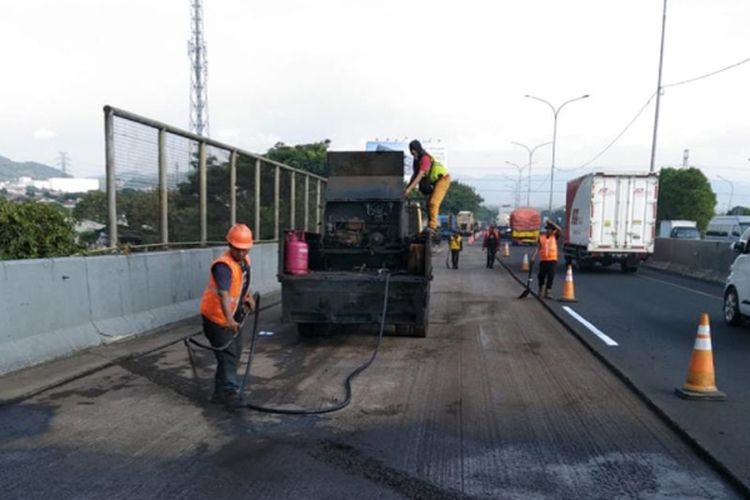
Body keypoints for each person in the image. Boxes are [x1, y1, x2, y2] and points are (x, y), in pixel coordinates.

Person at [199, 223, 256, 406]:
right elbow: (223, 293)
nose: (241, 253)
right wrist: (229, 320)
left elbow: (241, 283)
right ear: (230, 245)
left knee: (233, 354)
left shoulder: (244, 261)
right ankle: (231, 393)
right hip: (217, 319)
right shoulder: (223, 266)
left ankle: (218, 395)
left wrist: (248, 297)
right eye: (237, 249)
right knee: (228, 356)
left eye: (244, 249)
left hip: (232, 318)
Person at [402, 140, 451, 241]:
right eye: (411, 151)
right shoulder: (417, 160)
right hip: (435, 181)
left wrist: (409, 190)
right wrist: (406, 189)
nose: (412, 153)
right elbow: (414, 175)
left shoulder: (425, 159)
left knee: (433, 203)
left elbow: (419, 176)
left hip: (443, 179)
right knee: (428, 204)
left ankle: (433, 227)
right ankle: (431, 225)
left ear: (417, 149)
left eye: (413, 151)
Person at [532, 220, 561, 299]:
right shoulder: (541, 238)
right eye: (548, 229)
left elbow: (559, 229)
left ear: (553, 230)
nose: (549, 231)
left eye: (551, 229)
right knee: (541, 275)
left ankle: (548, 291)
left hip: (552, 260)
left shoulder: (555, 237)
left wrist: (552, 223)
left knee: (550, 276)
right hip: (543, 260)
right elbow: (538, 247)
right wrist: (533, 257)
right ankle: (541, 289)